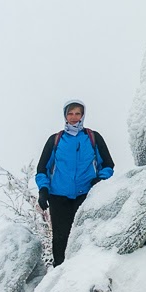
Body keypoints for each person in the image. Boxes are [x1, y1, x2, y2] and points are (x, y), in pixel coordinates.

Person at [36, 99, 115, 266]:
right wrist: (43, 190)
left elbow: (108, 165)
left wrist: (99, 179)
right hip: (58, 196)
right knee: (60, 238)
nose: (73, 117)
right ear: (65, 115)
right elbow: (42, 167)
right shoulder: (56, 140)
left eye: (77, 113)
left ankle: (83, 272)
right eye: (70, 113)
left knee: (84, 235)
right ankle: (59, 275)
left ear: (83, 115)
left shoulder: (92, 137)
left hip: (86, 195)